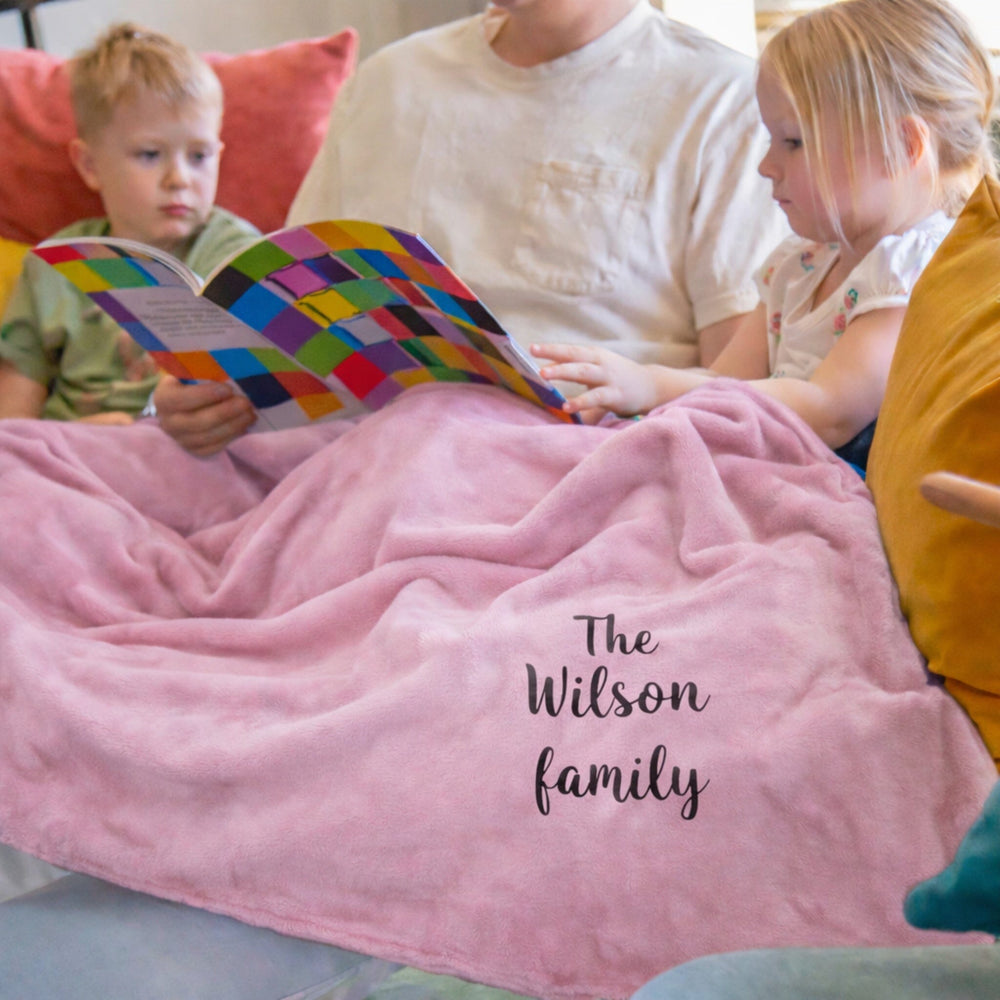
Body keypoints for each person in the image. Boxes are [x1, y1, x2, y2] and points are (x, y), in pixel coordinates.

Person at [152, 0, 789, 456]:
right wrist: (207, 397)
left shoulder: (725, 100)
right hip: (352, 458)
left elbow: (738, 389)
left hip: (580, 466)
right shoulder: (389, 82)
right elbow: (281, 317)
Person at [532, 0, 998, 471]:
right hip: (767, 465)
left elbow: (827, 411)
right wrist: (635, 396)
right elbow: (725, 384)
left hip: (838, 487)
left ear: (902, 147)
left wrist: (655, 384)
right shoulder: (800, 265)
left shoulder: (913, 272)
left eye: (793, 142)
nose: (765, 166)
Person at [0, 23, 260, 425]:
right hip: (78, 454)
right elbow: (13, 425)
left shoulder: (240, 252)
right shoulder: (52, 267)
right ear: (89, 165)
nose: (180, 179)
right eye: (151, 154)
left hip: (204, 449)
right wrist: (81, 438)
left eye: (199, 156)